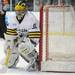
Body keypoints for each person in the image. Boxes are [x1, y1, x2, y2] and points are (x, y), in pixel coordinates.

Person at [4, 0, 40, 71]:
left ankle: (35, 59)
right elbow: (11, 34)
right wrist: (10, 42)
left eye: (21, 11)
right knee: (7, 47)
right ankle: (12, 61)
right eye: (17, 11)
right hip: (19, 37)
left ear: (25, 10)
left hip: (31, 37)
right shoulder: (12, 17)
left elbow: (35, 35)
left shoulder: (31, 18)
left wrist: (28, 44)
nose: (18, 12)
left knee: (23, 47)